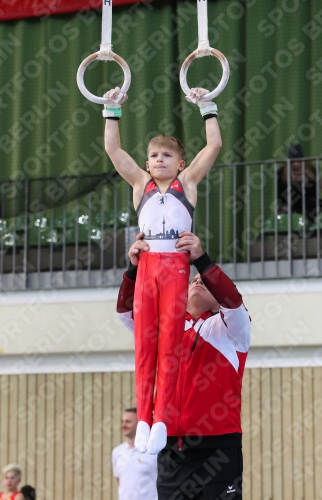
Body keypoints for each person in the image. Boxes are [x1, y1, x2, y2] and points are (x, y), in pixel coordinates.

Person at [104, 85, 222, 454]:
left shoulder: (187, 184)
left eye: (166, 155)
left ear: (180, 163)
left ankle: (162, 420)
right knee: (146, 345)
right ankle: (143, 418)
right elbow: (113, 149)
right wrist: (112, 110)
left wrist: (207, 105)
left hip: (174, 266)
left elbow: (214, 146)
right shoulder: (141, 184)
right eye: (153, 155)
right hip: (149, 266)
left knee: (170, 344)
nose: (157, 160)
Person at [117, 232, 251, 500]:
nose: (198, 281)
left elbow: (232, 298)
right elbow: (126, 311)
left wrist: (201, 260)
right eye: (194, 279)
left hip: (217, 450)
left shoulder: (232, 330)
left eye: (205, 280)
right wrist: (135, 269)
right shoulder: (163, 328)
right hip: (170, 448)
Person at [112, 407, 158, 500]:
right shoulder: (117, 452)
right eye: (123, 421)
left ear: (139, 424)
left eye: (128, 422)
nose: (124, 425)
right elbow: (119, 480)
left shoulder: (153, 451)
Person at [277, 143, 320, 223]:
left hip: (306, 202)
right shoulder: (282, 172)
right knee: (295, 186)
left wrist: (305, 183)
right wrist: (291, 183)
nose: (296, 164)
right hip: (289, 202)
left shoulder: (311, 171)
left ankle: (310, 226)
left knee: (317, 203)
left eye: (299, 161)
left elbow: (314, 193)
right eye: (293, 161)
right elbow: (279, 195)